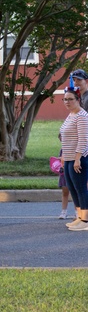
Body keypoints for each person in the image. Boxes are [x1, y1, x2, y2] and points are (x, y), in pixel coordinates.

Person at [59, 90, 88, 231]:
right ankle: (79, 217)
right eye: (65, 100)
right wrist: (64, 155)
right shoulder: (71, 114)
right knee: (72, 188)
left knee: (81, 189)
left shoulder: (82, 116)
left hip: (79, 158)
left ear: (78, 99)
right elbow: (65, 137)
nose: (67, 102)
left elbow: (83, 139)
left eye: (70, 99)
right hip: (69, 157)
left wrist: (78, 159)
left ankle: (86, 220)